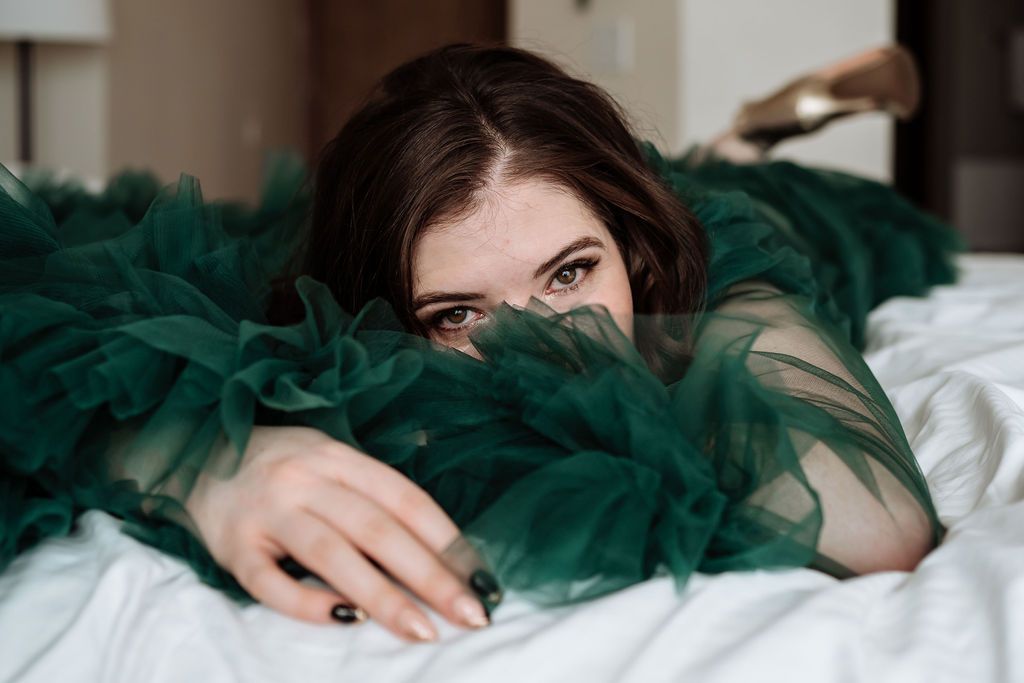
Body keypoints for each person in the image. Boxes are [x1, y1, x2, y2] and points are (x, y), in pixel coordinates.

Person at [0, 43, 962, 644]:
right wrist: (194, 446)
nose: (546, 346)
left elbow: (867, 528)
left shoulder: (714, 274)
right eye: (458, 314)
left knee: (801, 205)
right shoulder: (314, 323)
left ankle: (752, 140)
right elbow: (42, 338)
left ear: (631, 251)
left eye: (572, 275)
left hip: (744, 212)